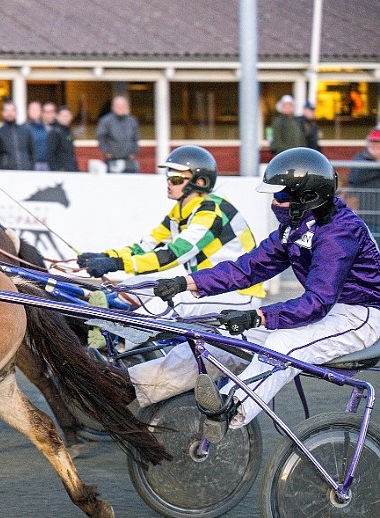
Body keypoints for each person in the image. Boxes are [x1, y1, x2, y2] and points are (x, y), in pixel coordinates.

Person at [150, 148, 380, 443]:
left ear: (306, 197)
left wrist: (258, 316)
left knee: (282, 343)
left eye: (279, 195)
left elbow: (317, 303)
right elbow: (246, 269)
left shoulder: (339, 233)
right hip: (325, 310)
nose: (273, 201)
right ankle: (145, 387)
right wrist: (187, 282)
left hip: (359, 315)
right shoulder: (293, 228)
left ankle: (230, 409)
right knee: (230, 338)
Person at [78, 145, 264, 319]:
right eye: (168, 176)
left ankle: (120, 343)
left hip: (238, 293)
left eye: (176, 178)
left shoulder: (212, 211)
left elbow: (173, 255)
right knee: (133, 285)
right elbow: (145, 247)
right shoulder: (181, 211)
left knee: (174, 302)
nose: (169, 182)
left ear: (200, 182)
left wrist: (116, 263)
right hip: (206, 286)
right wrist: (104, 256)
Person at [348, 128, 380, 235]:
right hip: (368, 217)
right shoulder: (360, 158)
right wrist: (377, 166)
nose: (375, 145)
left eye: (378, 142)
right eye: (372, 142)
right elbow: (355, 177)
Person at [95, 95, 139, 173]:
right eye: (118, 105)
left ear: (126, 107)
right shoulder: (105, 121)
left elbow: (136, 138)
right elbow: (101, 137)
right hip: (112, 159)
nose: (120, 107)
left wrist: (134, 152)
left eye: (123, 105)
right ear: (113, 107)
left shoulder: (132, 121)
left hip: (128, 159)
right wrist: (106, 152)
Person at [0, 100, 34, 171]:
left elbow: (31, 152)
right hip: (6, 173)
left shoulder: (25, 131)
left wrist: (30, 167)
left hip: (26, 171)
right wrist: (0, 170)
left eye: (12, 110)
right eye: (7, 111)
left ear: (16, 112)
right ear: (3, 113)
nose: (10, 113)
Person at [46, 105, 79, 172]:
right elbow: (50, 154)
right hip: (61, 172)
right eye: (63, 116)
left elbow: (71, 153)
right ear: (57, 117)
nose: (66, 118)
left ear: (71, 117)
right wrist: (58, 170)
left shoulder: (68, 132)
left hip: (71, 170)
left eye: (67, 115)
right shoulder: (55, 132)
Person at [24, 101, 49, 170]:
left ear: (41, 111)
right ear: (28, 111)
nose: (35, 111)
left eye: (37, 109)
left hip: (47, 164)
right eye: (32, 109)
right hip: (32, 164)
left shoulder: (46, 128)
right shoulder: (23, 128)